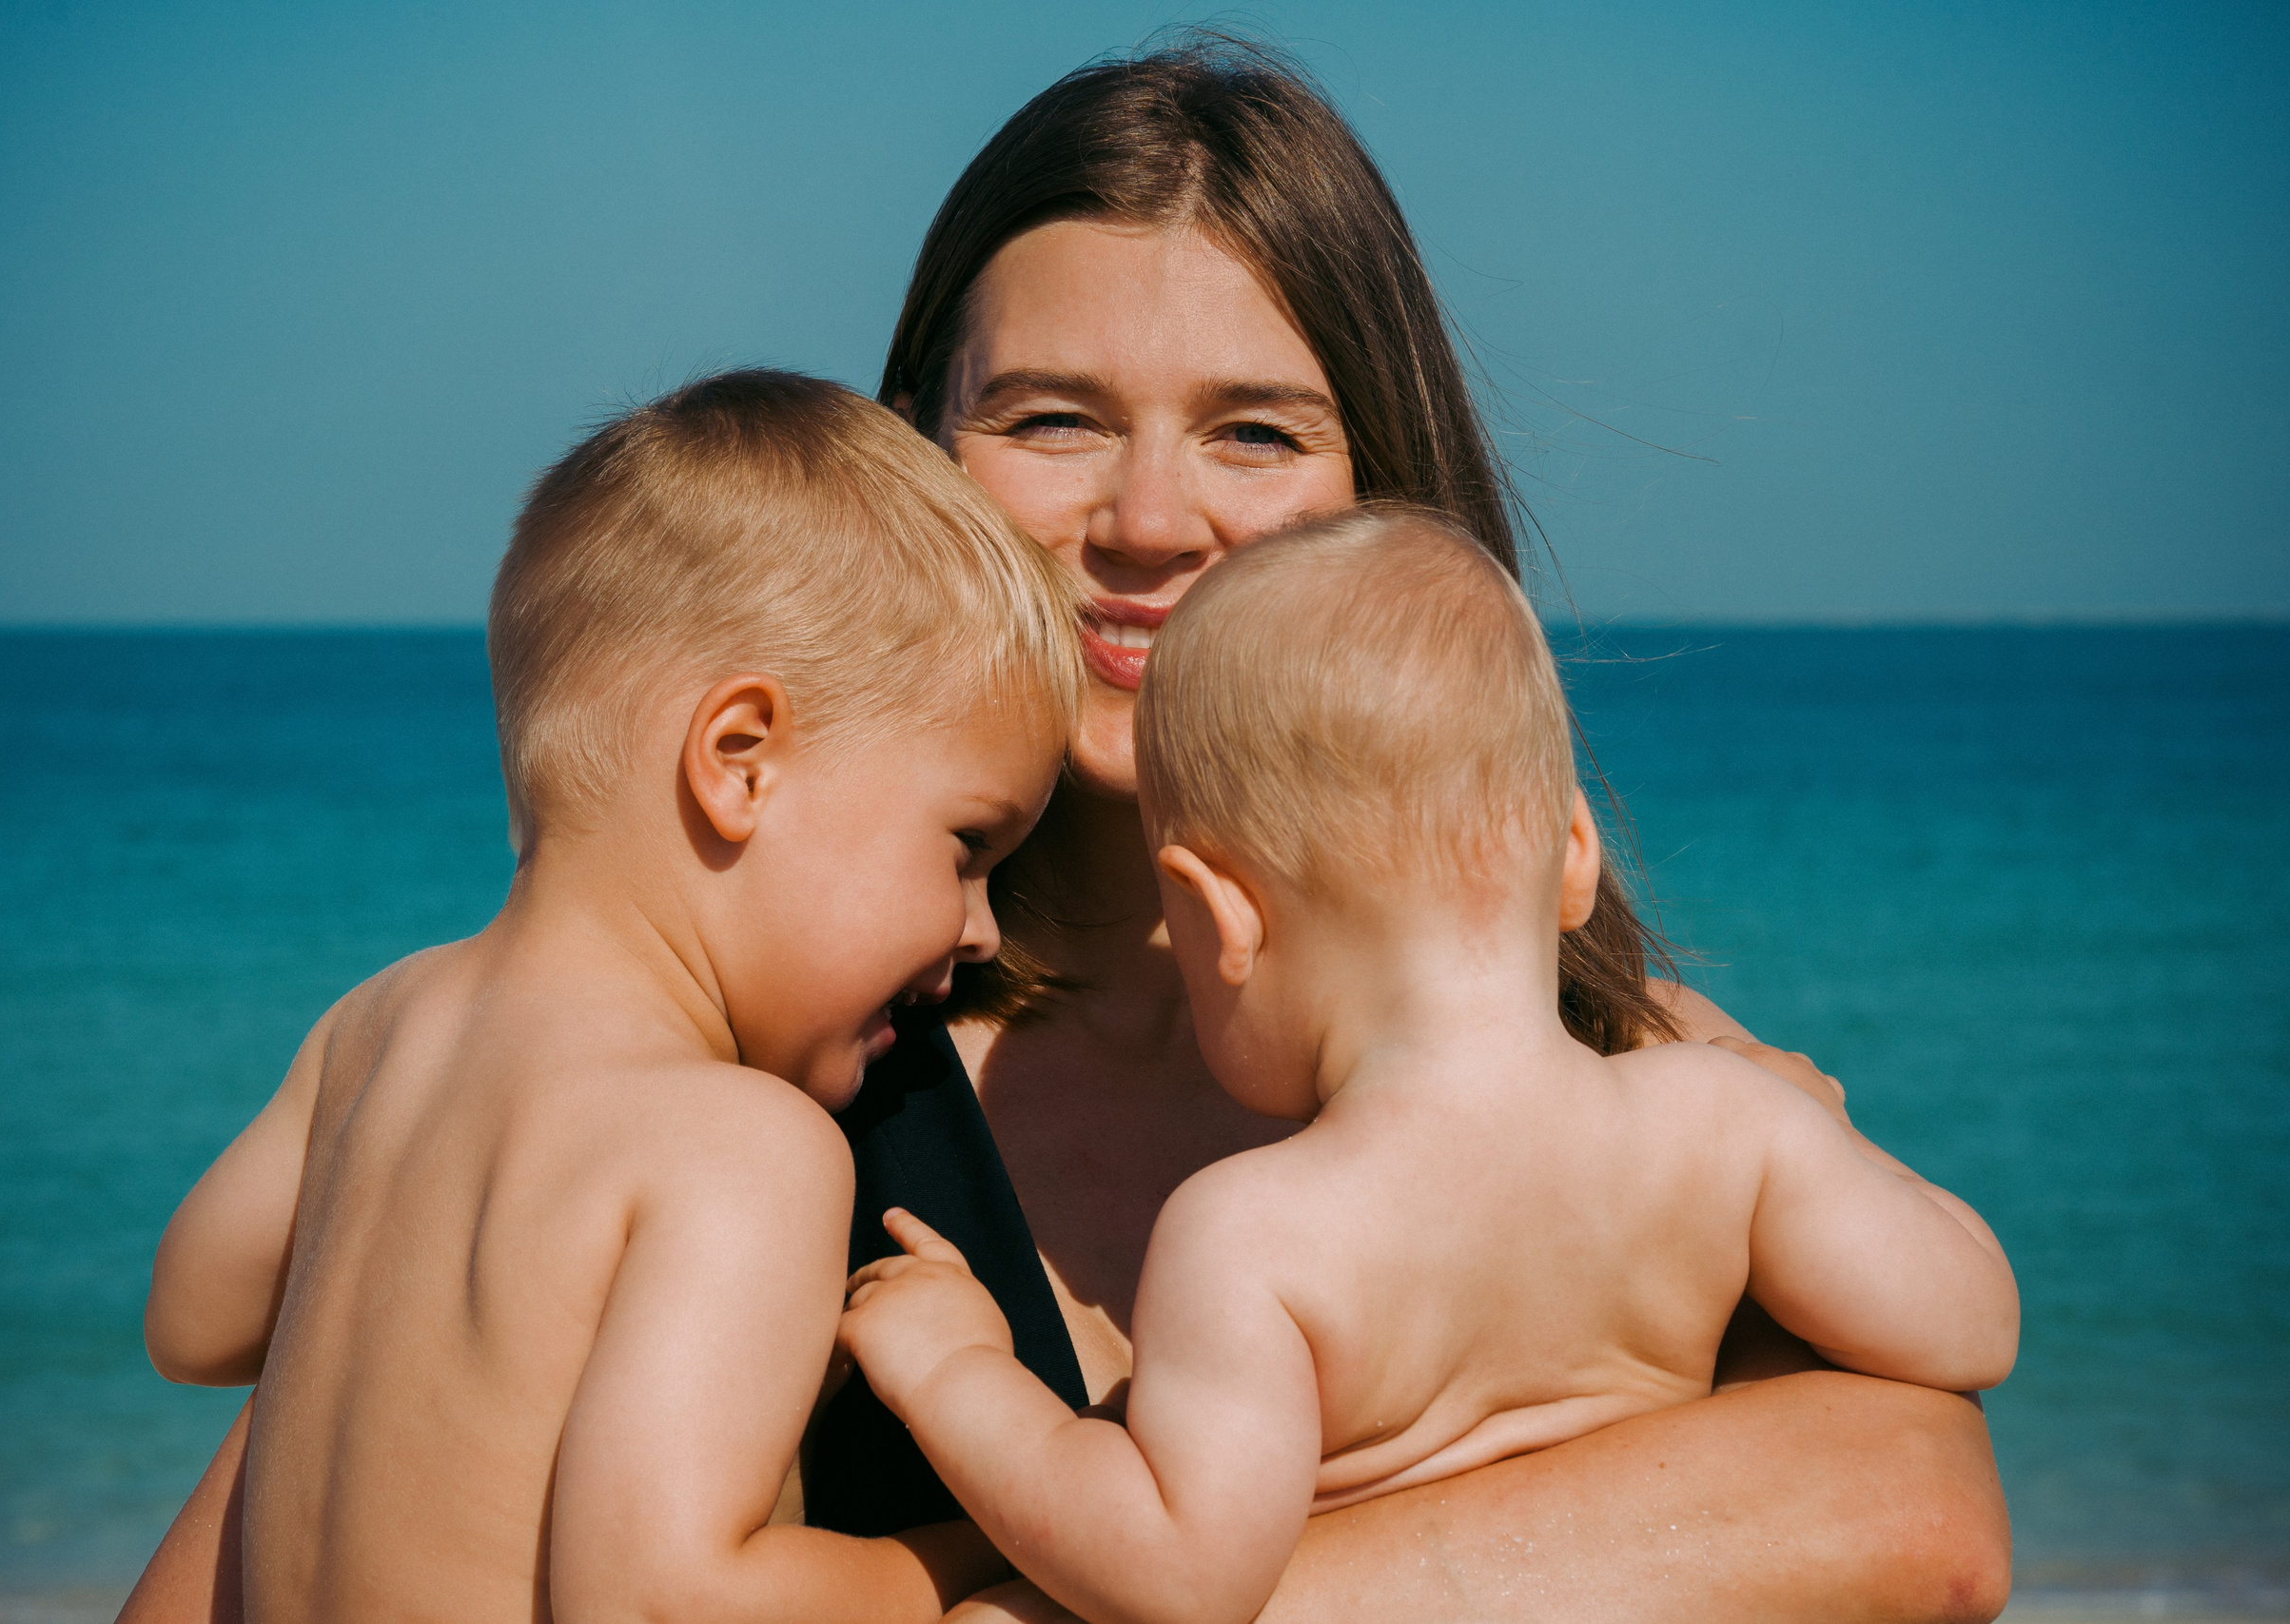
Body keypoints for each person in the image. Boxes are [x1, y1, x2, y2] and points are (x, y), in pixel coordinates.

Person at [126, 39, 2011, 1624]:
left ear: (1389, 493)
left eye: (1256, 432)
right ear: (912, 472)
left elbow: (1916, 1508)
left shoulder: (1608, 1060)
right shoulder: (760, 1074)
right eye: (1047, 418)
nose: (1147, 517)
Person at [835, 507, 2022, 1624]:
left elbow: (1175, 1574)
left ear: (1221, 918)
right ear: (1571, 853)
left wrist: (957, 1371)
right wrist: (1811, 1125)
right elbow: (1970, 1328)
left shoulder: (1254, 1237)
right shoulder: (1718, 1121)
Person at [135, 371, 1080, 1621]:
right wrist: (984, 1553)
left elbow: (191, 1320)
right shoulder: (746, 1144)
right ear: (740, 762)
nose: (981, 929)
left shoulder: (372, 1027)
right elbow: (663, 1592)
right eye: (967, 845)